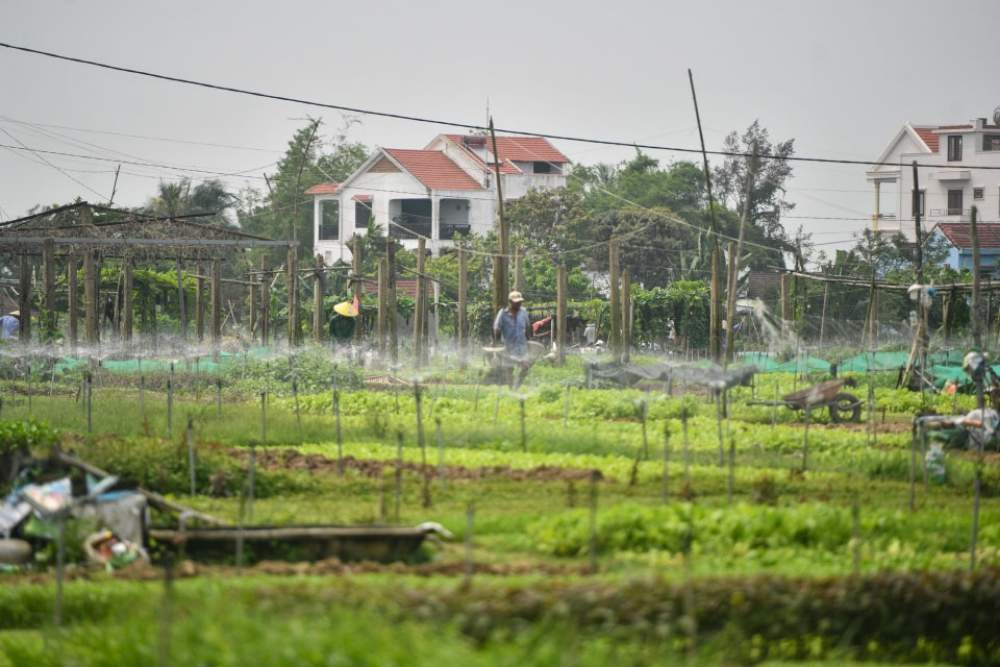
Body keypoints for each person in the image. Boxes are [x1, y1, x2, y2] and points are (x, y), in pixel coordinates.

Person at [493, 291, 532, 386]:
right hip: (508, 348)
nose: (519, 304)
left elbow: (528, 327)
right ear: (510, 302)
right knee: (509, 370)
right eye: (516, 302)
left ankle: (517, 385)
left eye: (520, 302)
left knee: (525, 367)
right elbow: (497, 328)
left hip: (521, 347)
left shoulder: (524, 312)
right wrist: (496, 344)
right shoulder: (503, 313)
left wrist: (530, 341)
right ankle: (511, 390)